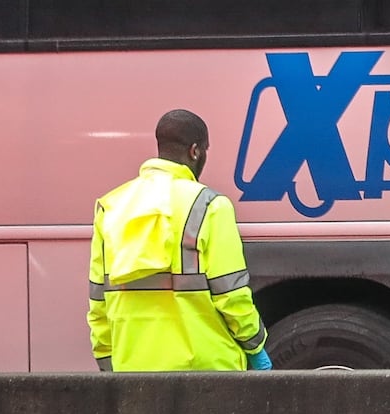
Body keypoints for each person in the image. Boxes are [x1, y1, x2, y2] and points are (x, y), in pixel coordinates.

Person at [88, 109, 271, 372]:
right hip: (208, 368)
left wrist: (108, 362)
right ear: (195, 151)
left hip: (133, 369)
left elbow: (98, 301)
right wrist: (255, 346)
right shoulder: (209, 205)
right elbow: (231, 295)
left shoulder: (111, 206)